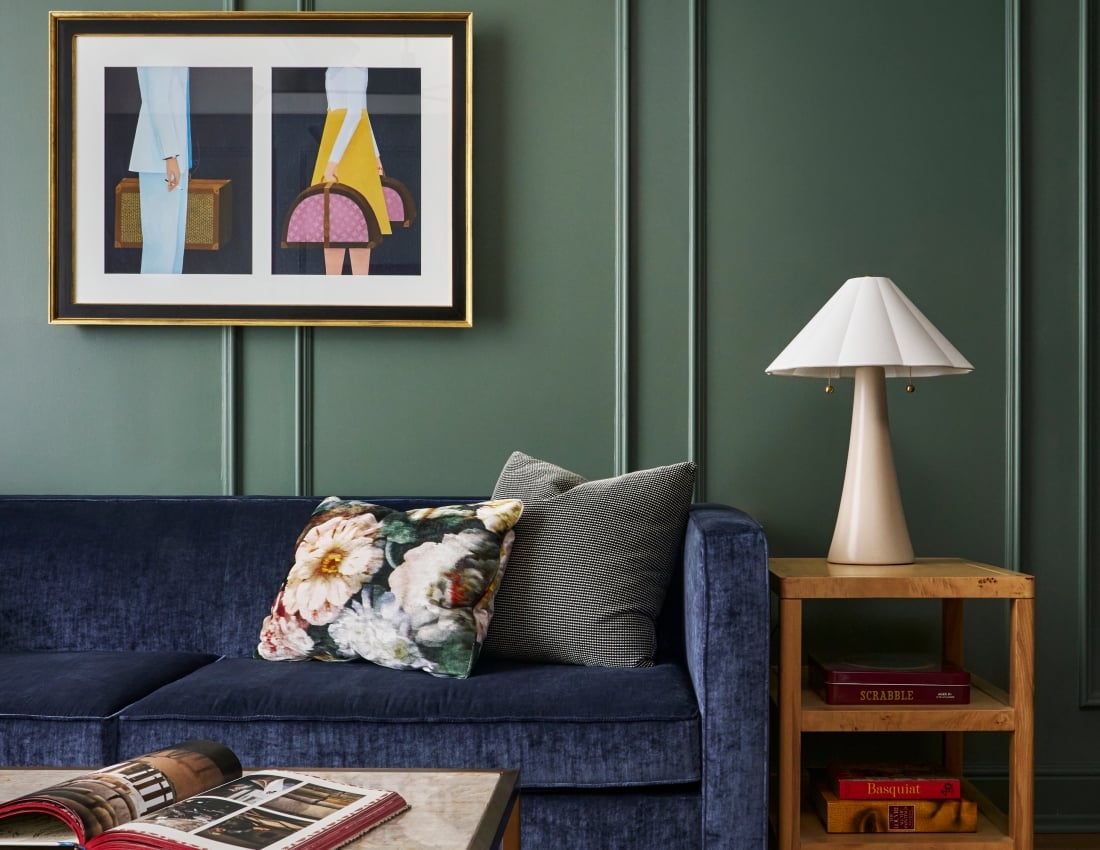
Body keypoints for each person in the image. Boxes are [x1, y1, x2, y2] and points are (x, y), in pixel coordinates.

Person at [311, 67, 390, 275]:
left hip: (351, 150)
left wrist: (334, 162)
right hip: (335, 141)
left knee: (359, 227)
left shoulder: (354, 66)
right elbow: (361, 115)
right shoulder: (334, 65)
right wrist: (376, 156)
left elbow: (358, 114)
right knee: (332, 227)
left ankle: (358, 297)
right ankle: (334, 297)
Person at [129, 66, 191, 274]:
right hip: (160, 159)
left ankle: (168, 303)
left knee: (172, 249)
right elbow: (157, 100)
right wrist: (170, 154)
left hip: (171, 159)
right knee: (161, 251)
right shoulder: (158, 47)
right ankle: (155, 303)